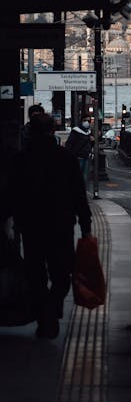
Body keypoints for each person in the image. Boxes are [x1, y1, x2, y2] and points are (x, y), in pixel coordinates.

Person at [1, 114, 92, 338]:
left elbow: (10, 194)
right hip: (61, 225)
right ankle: (52, 309)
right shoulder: (66, 158)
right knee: (62, 274)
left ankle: (45, 317)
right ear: (52, 131)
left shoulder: (21, 160)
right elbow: (79, 194)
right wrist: (86, 225)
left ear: (30, 132)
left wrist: (5, 218)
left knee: (36, 275)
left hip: (30, 227)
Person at [65, 115, 94, 183]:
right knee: (77, 175)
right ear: (81, 121)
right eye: (85, 120)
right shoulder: (76, 131)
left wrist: (92, 141)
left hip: (86, 156)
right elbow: (69, 143)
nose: (87, 122)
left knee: (85, 176)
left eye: (89, 121)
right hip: (78, 157)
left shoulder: (89, 132)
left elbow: (90, 145)